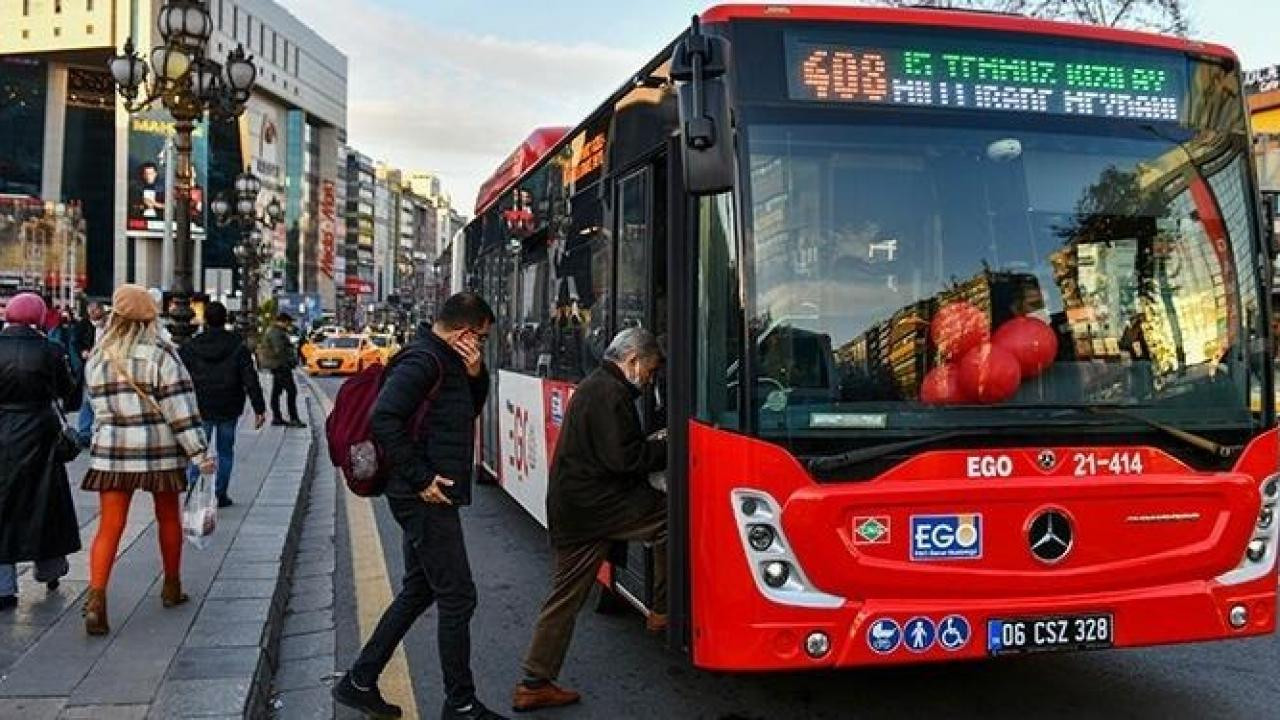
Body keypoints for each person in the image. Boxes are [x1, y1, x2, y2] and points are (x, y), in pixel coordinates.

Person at [332, 292, 505, 720]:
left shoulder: (447, 361)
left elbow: (464, 413)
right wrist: (421, 477)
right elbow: (383, 418)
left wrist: (476, 373)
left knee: (420, 588)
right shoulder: (423, 361)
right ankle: (460, 704)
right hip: (422, 496)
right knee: (458, 596)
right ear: (466, 332)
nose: (481, 345)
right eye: (481, 339)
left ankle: (359, 681)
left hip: (427, 493)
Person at [513, 327, 668, 713]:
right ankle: (663, 610)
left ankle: (534, 681)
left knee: (564, 597)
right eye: (649, 370)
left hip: (578, 508)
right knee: (671, 518)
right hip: (599, 509)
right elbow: (625, 459)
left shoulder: (599, 386)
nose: (649, 381)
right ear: (632, 360)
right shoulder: (609, 393)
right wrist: (666, 445)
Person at [81, 284, 214, 636]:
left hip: (112, 453)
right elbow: (181, 410)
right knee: (167, 516)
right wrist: (200, 453)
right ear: (149, 319)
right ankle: (171, 586)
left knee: (110, 526)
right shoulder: (161, 356)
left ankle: (96, 598)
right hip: (158, 451)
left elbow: (95, 408)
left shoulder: (98, 357)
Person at [0, 293, 81, 612]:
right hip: (41, 433)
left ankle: (4, 586)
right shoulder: (51, 350)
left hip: (2, 429)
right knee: (45, 501)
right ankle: (49, 569)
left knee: (2, 505)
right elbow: (70, 394)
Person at [179, 301, 267, 507]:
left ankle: (193, 489)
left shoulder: (191, 346)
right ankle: (220, 493)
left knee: (198, 450)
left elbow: (179, 375)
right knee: (225, 450)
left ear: (206, 320)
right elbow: (250, 377)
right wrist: (259, 408)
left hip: (201, 404)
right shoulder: (237, 345)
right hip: (229, 404)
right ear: (225, 319)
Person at [260, 312, 306, 428]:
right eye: (288, 322)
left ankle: (277, 417)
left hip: (278, 365)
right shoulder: (276, 333)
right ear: (283, 321)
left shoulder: (275, 331)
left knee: (276, 392)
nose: (289, 325)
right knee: (292, 391)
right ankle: (293, 418)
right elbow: (280, 351)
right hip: (281, 366)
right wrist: (290, 361)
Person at [74, 301, 107, 447]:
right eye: (90, 311)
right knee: (87, 397)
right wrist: (82, 352)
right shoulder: (83, 325)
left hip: (105, 364)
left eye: (95, 310)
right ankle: (84, 432)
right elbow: (76, 342)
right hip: (89, 364)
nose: (92, 313)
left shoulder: (110, 325)